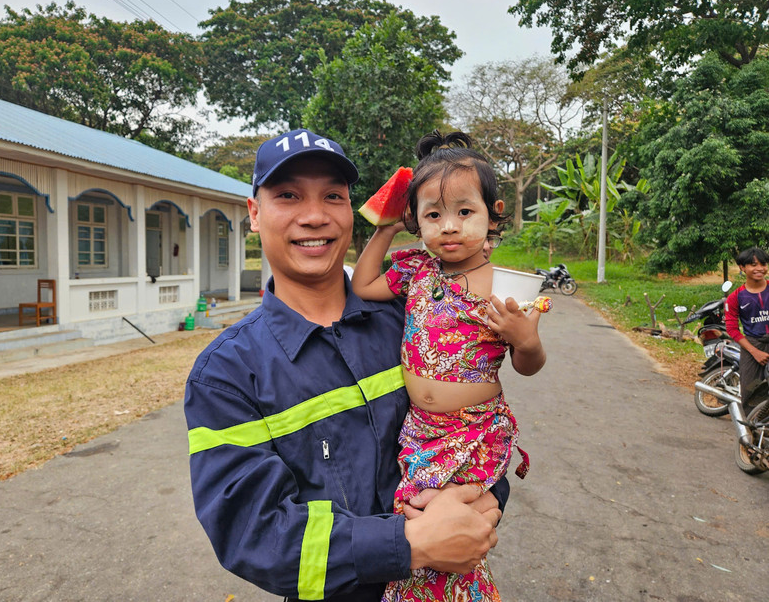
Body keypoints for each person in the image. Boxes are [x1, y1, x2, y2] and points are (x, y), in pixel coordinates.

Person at [184, 128, 509, 602]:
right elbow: (251, 534)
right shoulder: (225, 374)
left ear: (350, 210)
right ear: (254, 213)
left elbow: (476, 422)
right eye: (288, 195)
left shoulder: (412, 314)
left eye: (333, 196)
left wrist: (488, 500)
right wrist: (410, 544)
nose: (315, 216)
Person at [351, 131, 546, 602]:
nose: (450, 227)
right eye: (433, 215)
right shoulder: (417, 269)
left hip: (474, 431)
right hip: (421, 431)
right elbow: (363, 285)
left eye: (464, 211)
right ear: (415, 221)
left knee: (446, 525)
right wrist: (384, 228)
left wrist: (526, 340)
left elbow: (529, 366)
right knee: (421, 523)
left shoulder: (505, 286)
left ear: (493, 214)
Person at [725, 246, 769, 412]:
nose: (760, 269)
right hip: (753, 345)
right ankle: (752, 425)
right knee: (750, 390)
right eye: (753, 265)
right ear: (742, 268)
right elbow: (732, 329)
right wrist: (754, 352)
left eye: (763, 264)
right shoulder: (735, 297)